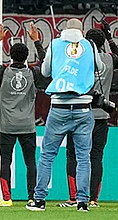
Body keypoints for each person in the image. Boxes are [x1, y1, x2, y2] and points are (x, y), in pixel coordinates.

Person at [28, 19, 105, 212]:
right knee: (83, 157)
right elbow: (100, 68)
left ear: (65, 30)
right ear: (81, 31)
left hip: (59, 107)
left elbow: (45, 71)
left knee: (47, 155)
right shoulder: (90, 45)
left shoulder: (55, 44)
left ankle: (39, 200)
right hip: (82, 107)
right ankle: (82, 202)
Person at [0, 23, 45, 207]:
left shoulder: (3, 72)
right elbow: (46, 64)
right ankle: (32, 197)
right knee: (30, 163)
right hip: (27, 125)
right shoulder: (33, 73)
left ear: (9, 55)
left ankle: (7, 199)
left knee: (6, 161)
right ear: (27, 57)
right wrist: (37, 41)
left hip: (7, 126)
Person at [59, 26, 117, 208]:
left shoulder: (79, 60)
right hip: (101, 116)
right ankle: (93, 199)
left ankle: (74, 197)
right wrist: (110, 38)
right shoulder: (110, 59)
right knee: (96, 157)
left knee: (73, 155)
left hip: (79, 113)